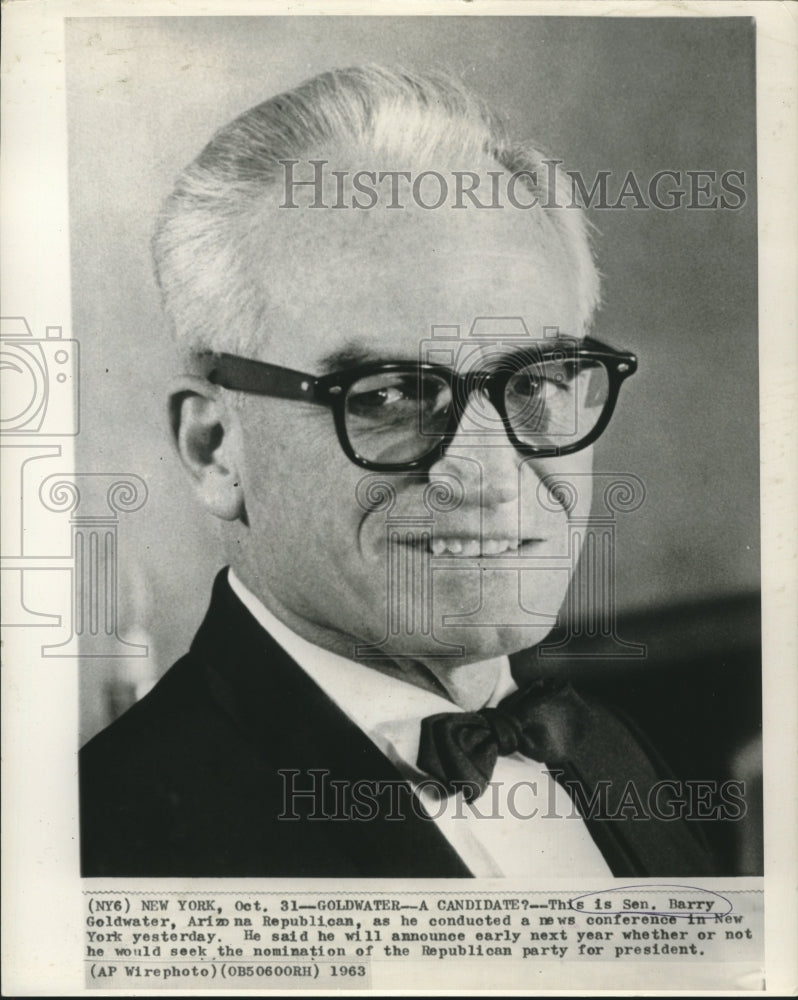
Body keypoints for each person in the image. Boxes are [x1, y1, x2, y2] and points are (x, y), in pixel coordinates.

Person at [80, 65, 714, 877]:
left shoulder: (611, 751)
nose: (483, 474)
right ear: (215, 449)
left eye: (534, 383)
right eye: (387, 396)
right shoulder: (113, 847)